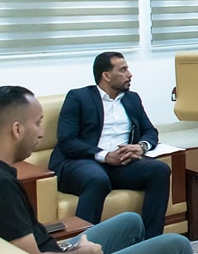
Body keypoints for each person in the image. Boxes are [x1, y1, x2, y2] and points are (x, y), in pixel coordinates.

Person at [0, 86, 198, 254]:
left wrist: (70, 250)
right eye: (38, 123)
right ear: (17, 129)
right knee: (176, 246)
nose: (41, 133)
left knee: (131, 222)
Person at [50, 52, 170, 238]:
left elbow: (150, 131)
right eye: (123, 70)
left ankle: (150, 240)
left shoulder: (132, 99)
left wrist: (140, 147)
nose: (129, 74)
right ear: (106, 75)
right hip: (83, 161)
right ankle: (82, 245)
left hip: (121, 164)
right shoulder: (79, 97)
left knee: (160, 170)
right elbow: (68, 141)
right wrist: (105, 156)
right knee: (98, 179)